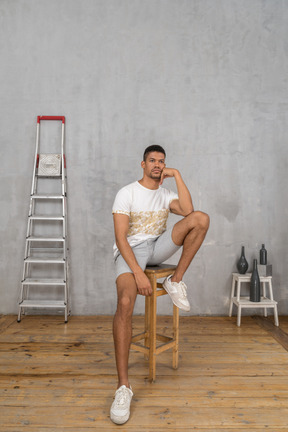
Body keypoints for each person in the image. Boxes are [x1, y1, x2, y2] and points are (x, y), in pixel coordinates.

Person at [110, 145, 209, 425]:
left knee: (201, 218)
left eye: (162, 162)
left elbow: (190, 212)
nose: (157, 165)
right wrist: (138, 274)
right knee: (126, 303)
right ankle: (123, 387)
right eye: (152, 161)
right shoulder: (127, 192)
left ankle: (175, 280)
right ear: (142, 164)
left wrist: (176, 174)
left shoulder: (166, 193)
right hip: (131, 250)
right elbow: (120, 238)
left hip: (157, 247)